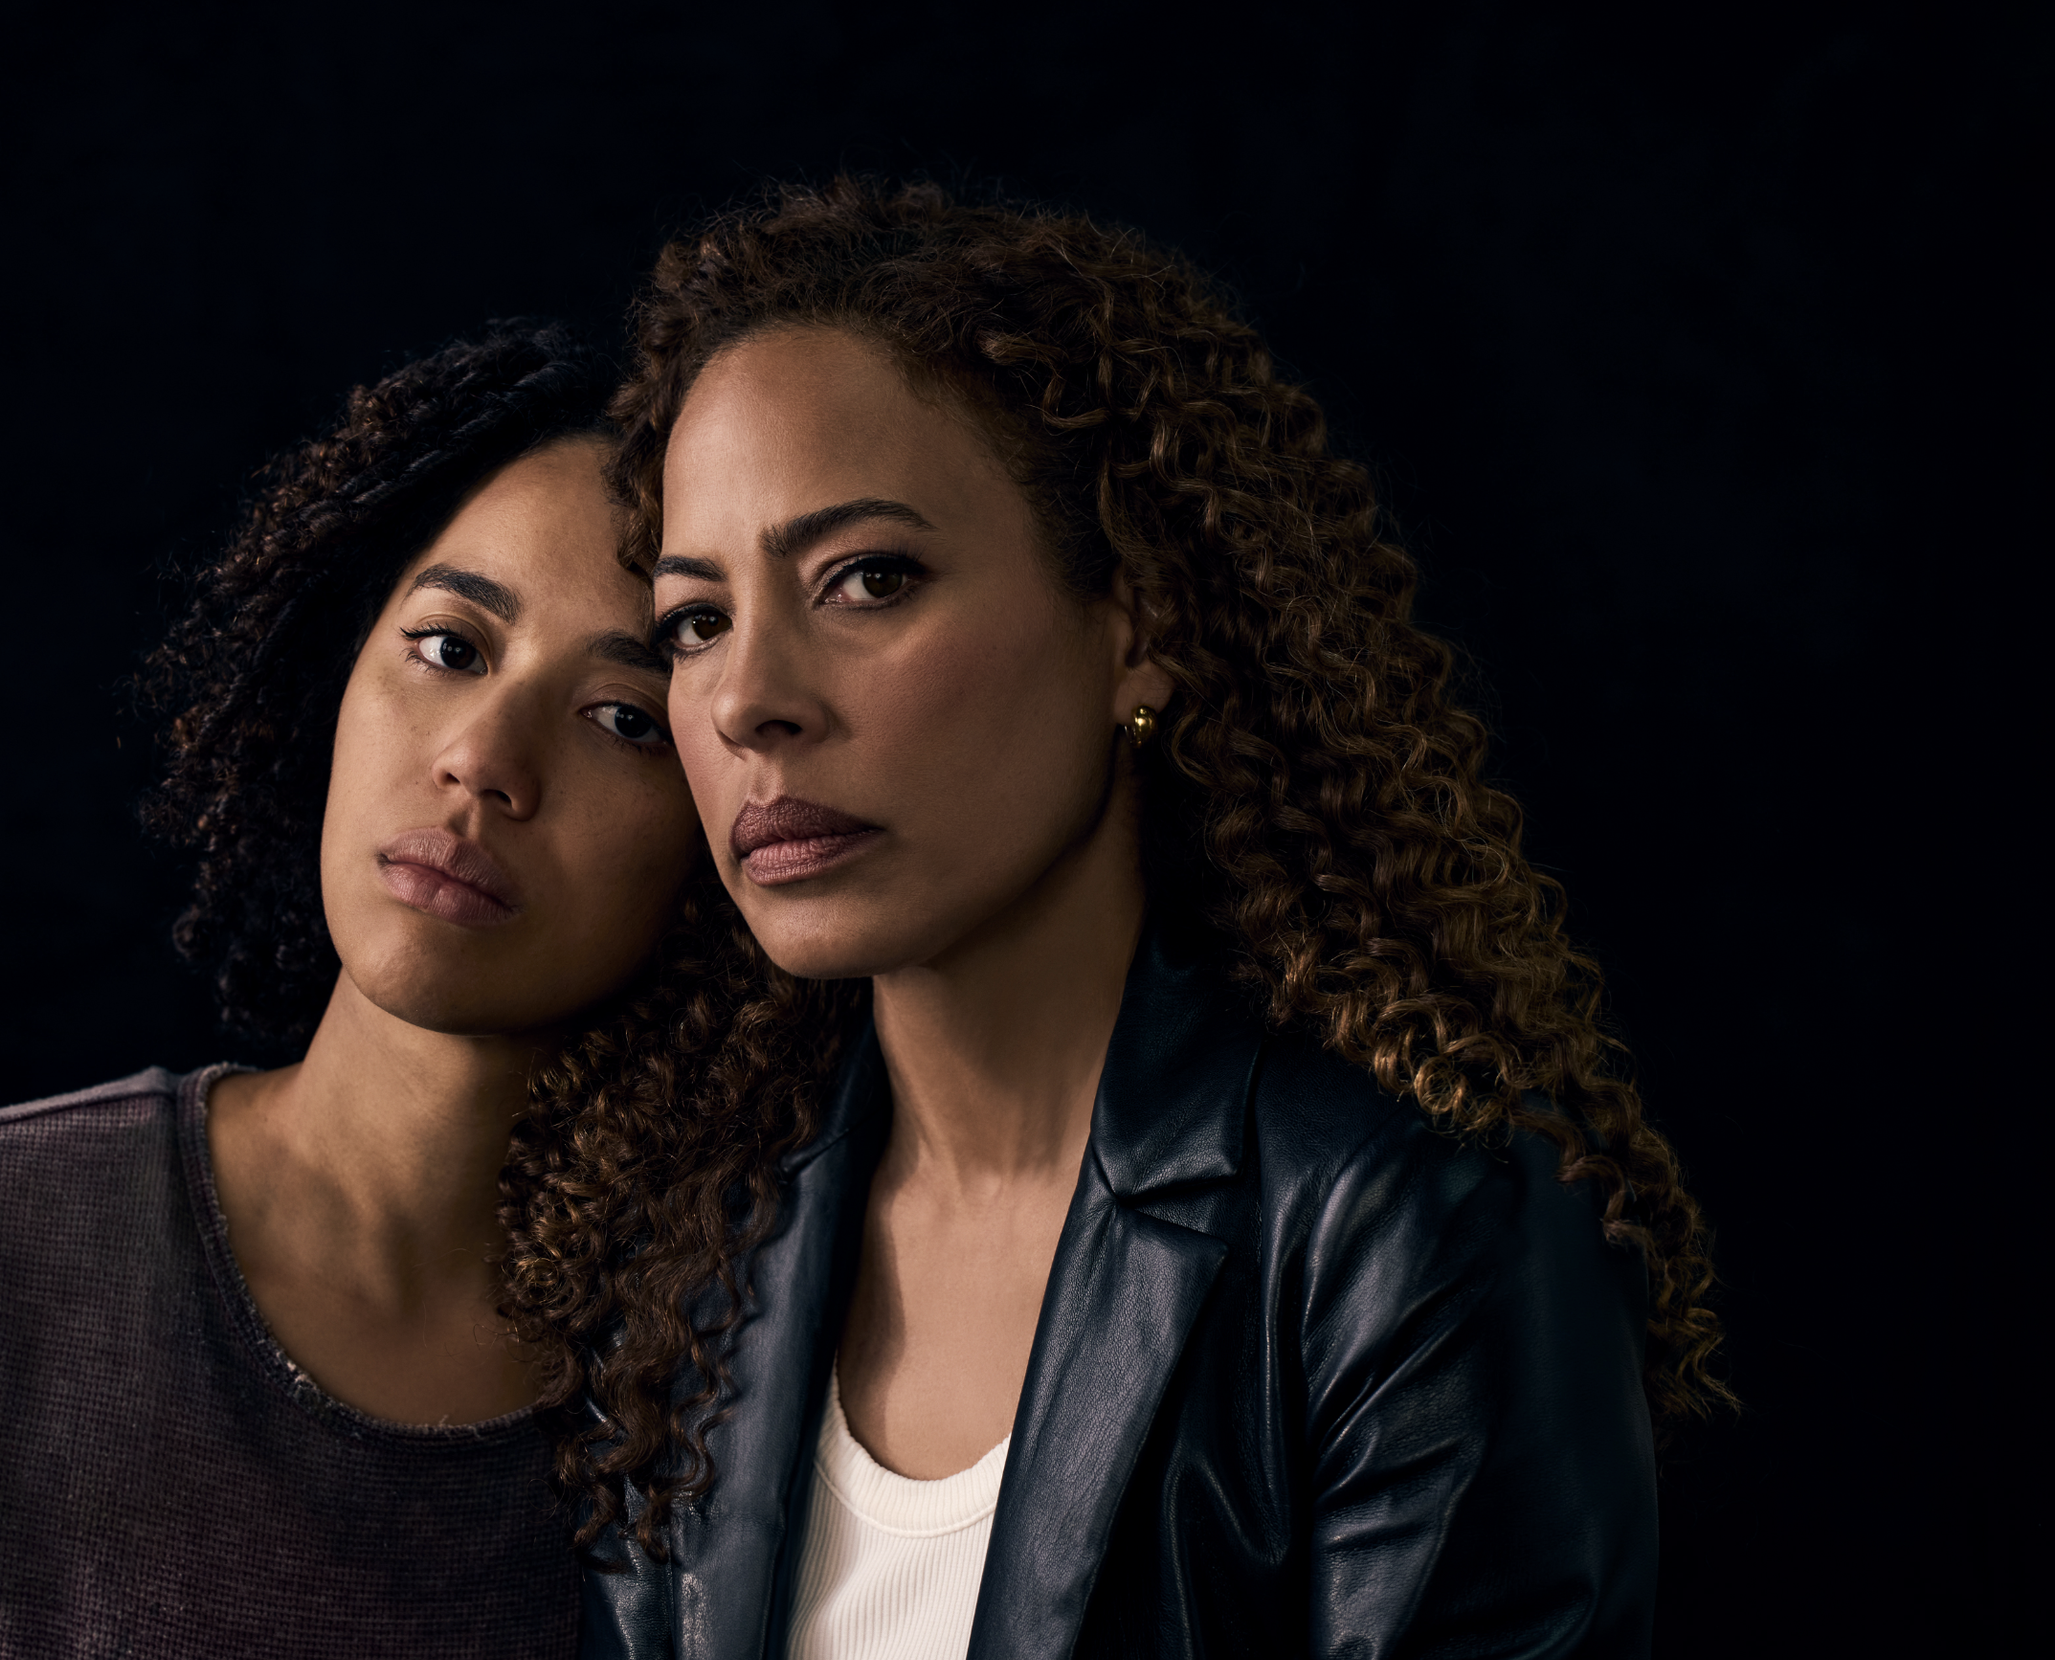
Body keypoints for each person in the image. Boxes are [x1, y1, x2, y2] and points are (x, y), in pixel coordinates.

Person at [501, 182, 1729, 1659]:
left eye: (868, 580)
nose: (749, 699)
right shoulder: (701, 1252)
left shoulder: (1414, 1233)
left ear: (1140, 626)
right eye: (696, 622)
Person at [0, 323, 701, 1659]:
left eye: (626, 718)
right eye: (447, 647)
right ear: (339, 670)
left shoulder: (737, 1380)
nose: (482, 758)